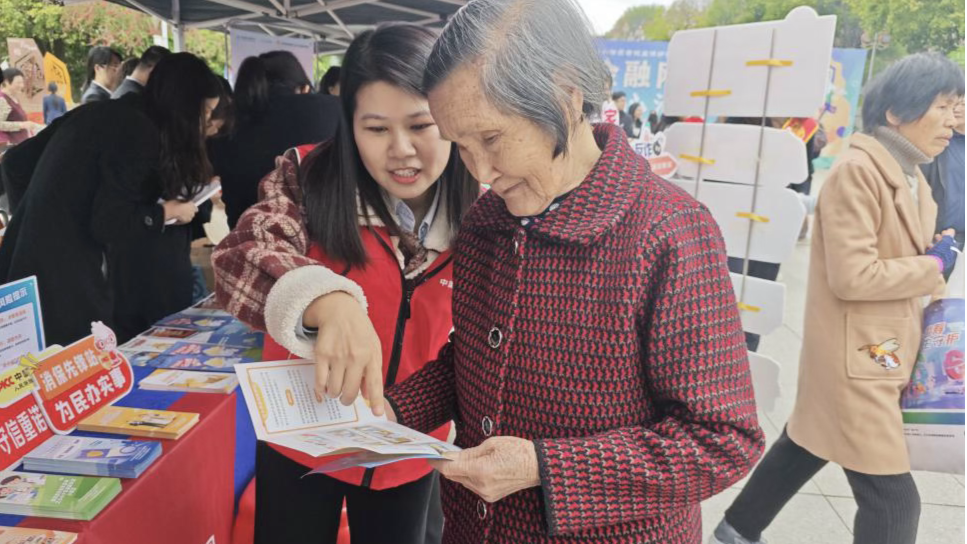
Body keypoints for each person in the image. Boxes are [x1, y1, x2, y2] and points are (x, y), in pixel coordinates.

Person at [312, 1, 765, 542]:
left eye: (492, 138)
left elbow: (722, 440)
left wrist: (542, 468)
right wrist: (392, 410)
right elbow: (470, 357)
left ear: (566, 96)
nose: (480, 170)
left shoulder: (667, 232)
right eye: (460, 145)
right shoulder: (486, 222)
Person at [212, 24, 478, 544]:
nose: (401, 150)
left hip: (406, 445)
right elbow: (239, 259)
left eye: (421, 125)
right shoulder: (306, 176)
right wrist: (324, 298)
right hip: (300, 438)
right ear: (350, 124)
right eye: (376, 129)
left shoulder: (480, 212)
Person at [710, 53, 963, 544]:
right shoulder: (858, 172)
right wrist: (934, 264)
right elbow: (854, 276)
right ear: (896, 112)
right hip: (860, 356)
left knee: (807, 442)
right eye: (941, 106)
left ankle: (735, 529)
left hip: (883, 349)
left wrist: (936, 258)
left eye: (955, 107)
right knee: (893, 500)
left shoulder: (914, 176)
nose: (952, 121)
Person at [0, 53, 219, 346]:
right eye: (205, 112)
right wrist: (166, 211)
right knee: (81, 362)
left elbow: (15, 163)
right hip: (67, 282)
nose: (206, 123)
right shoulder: (138, 131)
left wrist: (35, 219)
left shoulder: (99, 112)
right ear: (185, 105)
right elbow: (109, 221)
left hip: (24, 263)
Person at [209, 51, 341, 228]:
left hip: (247, 234)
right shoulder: (333, 109)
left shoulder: (229, 121)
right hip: (319, 234)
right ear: (303, 88)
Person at [922, 93, 964, 251]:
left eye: (963, 105)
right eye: (954, 104)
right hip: (935, 238)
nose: (957, 109)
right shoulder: (935, 142)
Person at [1, 69, 42, 147]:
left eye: (22, 82)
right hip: (9, 146)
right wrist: (21, 125)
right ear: (6, 82)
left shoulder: (13, 98)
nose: (22, 85)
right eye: (18, 82)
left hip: (19, 142)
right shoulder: (2, 100)